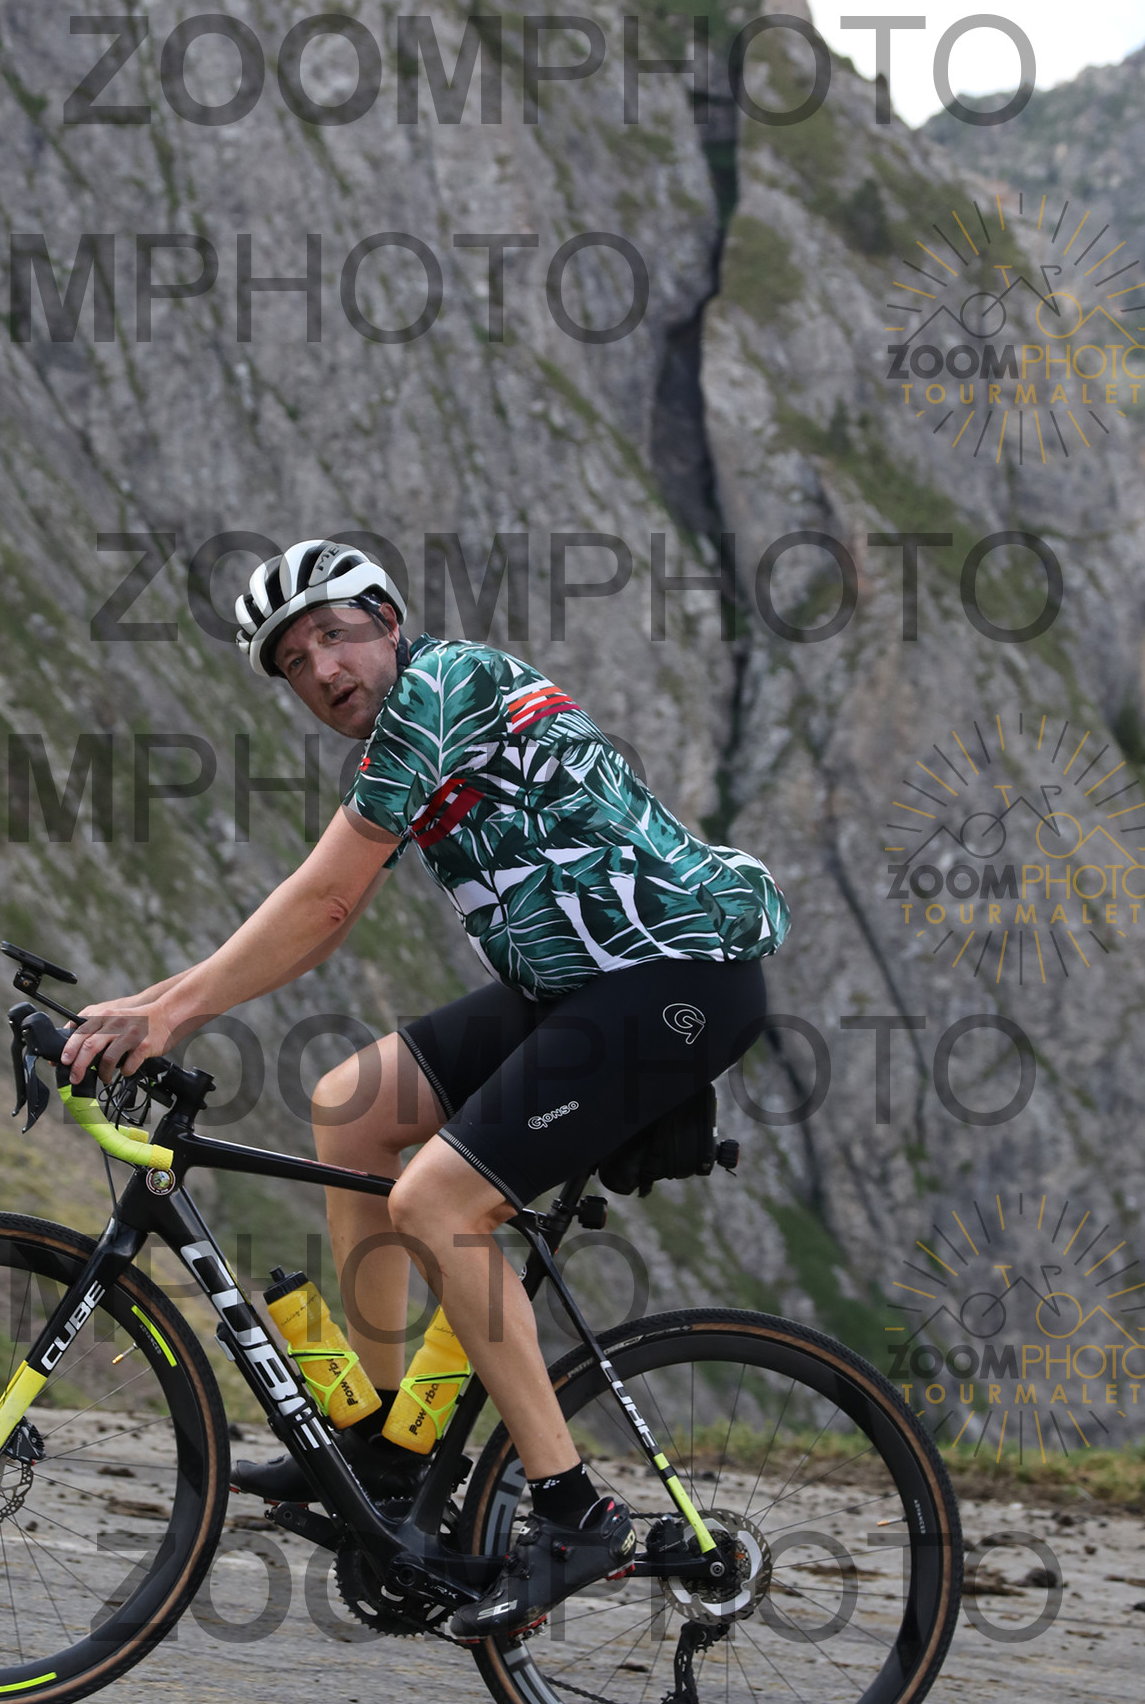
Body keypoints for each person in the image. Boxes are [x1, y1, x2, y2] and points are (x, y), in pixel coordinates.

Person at [61, 540, 789, 1640]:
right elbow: (315, 914)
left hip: (677, 975)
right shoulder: (404, 734)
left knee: (438, 1202)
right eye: (293, 662)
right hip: (580, 982)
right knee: (353, 1108)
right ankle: (389, 1447)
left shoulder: (446, 687)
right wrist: (148, 1008)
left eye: (335, 636)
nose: (323, 670)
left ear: (389, 622)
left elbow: (324, 901)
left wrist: (169, 1015)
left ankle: (573, 1511)